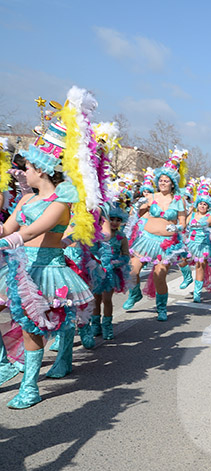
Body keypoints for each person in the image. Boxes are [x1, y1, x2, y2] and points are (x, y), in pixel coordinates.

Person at [0, 91, 101, 408]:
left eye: (27, 167)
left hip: (47, 270)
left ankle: (30, 386)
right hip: (19, 267)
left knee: (35, 328)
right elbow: (8, 226)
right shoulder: (26, 199)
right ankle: (7, 362)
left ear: (41, 170)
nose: (23, 172)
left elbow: (32, 230)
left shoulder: (59, 202)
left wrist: (8, 239)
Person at [122, 149, 189, 321]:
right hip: (145, 241)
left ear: (172, 183)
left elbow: (182, 222)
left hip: (166, 244)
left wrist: (177, 229)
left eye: (166, 181)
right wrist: (137, 206)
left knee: (159, 275)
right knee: (131, 271)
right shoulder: (150, 197)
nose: (163, 183)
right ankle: (135, 294)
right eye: (161, 180)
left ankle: (161, 308)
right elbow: (135, 213)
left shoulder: (179, 201)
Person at [89, 204, 131, 340]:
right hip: (97, 270)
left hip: (112, 272)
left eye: (118, 220)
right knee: (96, 299)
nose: (114, 222)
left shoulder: (121, 237)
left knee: (107, 299)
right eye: (111, 219)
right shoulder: (98, 235)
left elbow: (125, 256)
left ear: (121, 222)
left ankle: (107, 326)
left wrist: (114, 263)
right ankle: (95, 325)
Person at [183, 182, 211, 303]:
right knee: (180, 259)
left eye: (205, 204)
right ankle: (187, 277)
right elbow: (184, 224)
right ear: (197, 204)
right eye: (200, 204)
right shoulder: (192, 214)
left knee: (200, 267)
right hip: (191, 243)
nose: (202, 206)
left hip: (204, 244)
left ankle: (197, 293)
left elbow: (209, 222)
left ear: (208, 206)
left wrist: (200, 223)